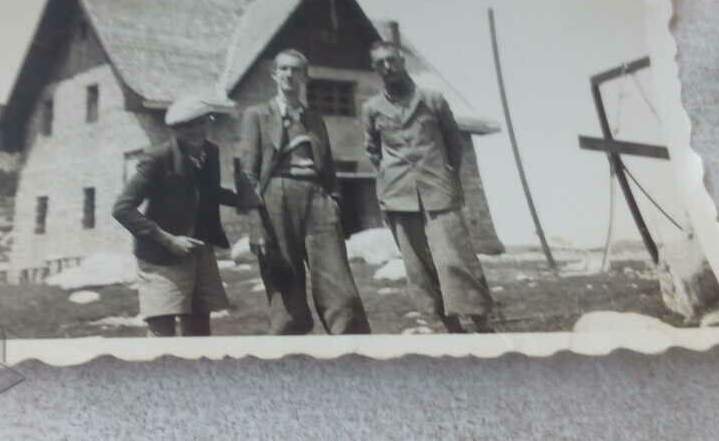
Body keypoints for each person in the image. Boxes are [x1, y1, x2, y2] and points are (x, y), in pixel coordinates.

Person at [362, 40, 495, 333]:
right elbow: (373, 150)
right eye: (380, 63)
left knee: (455, 259)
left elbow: (454, 143)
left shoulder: (432, 99)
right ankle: (449, 327)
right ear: (375, 69)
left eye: (392, 60)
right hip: (399, 196)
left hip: (438, 191)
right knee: (418, 266)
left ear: (402, 61)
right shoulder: (371, 109)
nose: (387, 67)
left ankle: (482, 323)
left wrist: (446, 175)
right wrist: (389, 177)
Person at [238, 49, 371, 335]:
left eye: (296, 70)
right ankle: (290, 350)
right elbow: (247, 173)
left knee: (340, 287)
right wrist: (255, 225)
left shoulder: (314, 118)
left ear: (305, 77)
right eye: (283, 69)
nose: (289, 75)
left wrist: (333, 201)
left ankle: (352, 348)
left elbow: (329, 168)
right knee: (285, 288)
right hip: (275, 196)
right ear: (274, 75)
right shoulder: (257, 115)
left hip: (316, 197)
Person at [111, 95, 238, 337]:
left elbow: (209, 192)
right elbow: (122, 208)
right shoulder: (157, 158)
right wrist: (168, 239)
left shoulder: (210, 153)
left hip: (198, 250)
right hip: (160, 255)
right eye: (188, 126)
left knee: (200, 324)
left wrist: (246, 196)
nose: (196, 131)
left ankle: (196, 373)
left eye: (201, 123)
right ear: (175, 130)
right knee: (162, 330)